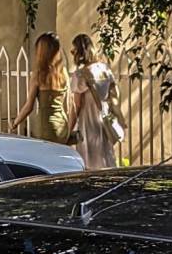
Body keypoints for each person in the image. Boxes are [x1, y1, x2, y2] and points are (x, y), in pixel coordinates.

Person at [67, 34, 122, 169]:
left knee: (89, 162)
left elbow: (77, 106)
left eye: (73, 50)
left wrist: (68, 129)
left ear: (79, 52)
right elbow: (115, 94)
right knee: (106, 158)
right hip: (103, 120)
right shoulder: (105, 69)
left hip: (88, 124)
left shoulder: (80, 75)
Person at [13, 33, 70, 144]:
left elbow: (29, 106)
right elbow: (68, 106)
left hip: (47, 127)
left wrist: (15, 123)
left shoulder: (39, 75)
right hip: (63, 125)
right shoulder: (63, 73)